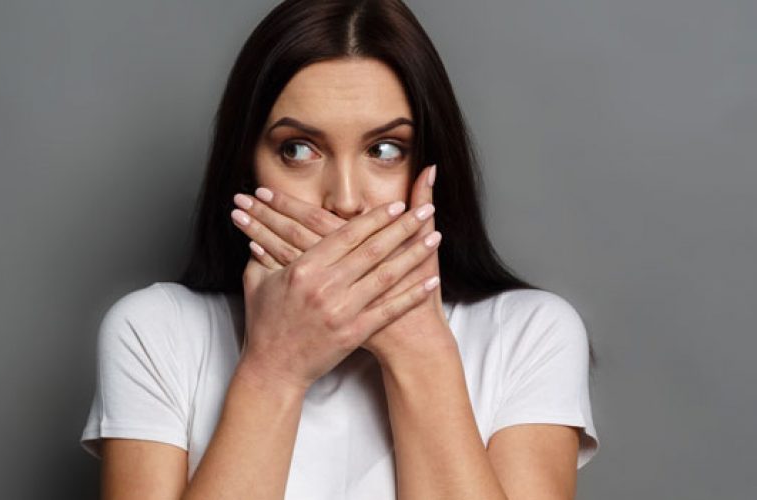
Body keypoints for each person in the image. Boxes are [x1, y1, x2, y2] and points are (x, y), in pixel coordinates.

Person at [79, 0, 600, 498]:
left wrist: (419, 348)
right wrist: (273, 368)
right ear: (246, 166)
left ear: (430, 165)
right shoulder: (155, 331)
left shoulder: (532, 334)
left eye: (385, 150)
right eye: (298, 150)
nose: (346, 201)